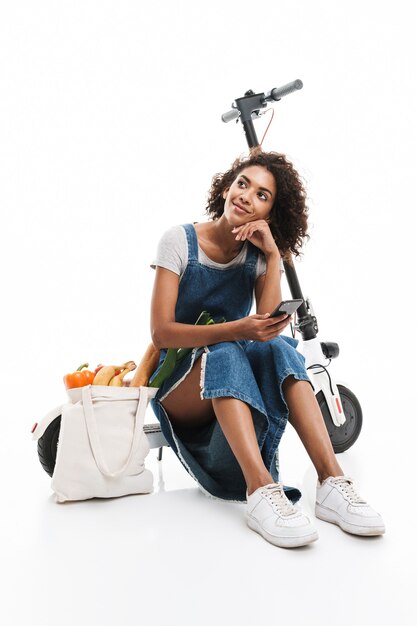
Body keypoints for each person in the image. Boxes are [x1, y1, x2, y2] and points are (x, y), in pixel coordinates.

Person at [149, 147, 385, 548]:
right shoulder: (179, 241)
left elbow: (270, 331)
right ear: (225, 188)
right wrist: (236, 328)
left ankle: (331, 482)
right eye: (243, 184)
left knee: (281, 351)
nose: (247, 195)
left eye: (262, 195)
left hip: (228, 381)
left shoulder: (258, 255)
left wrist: (274, 252)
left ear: (269, 214)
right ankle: (260, 491)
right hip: (179, 382)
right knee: (224, 349)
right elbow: (162, 333)